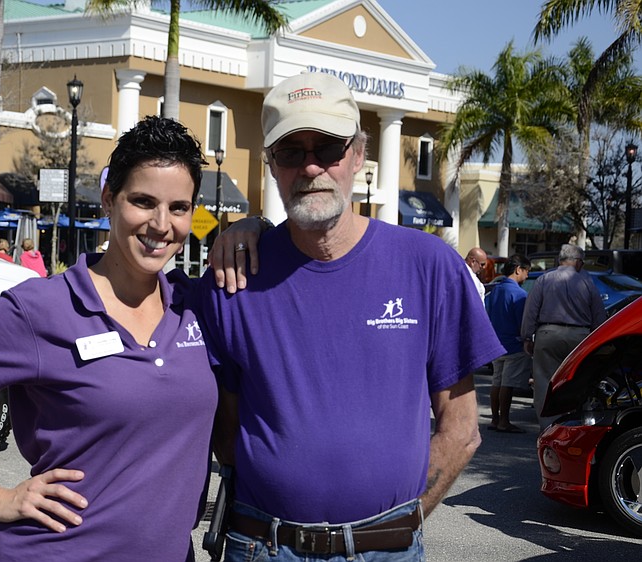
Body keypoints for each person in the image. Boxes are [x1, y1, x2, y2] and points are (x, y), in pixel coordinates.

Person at [0, 116, 257, 560]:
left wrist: (255, 226)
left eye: (178, 207)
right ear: (109, 199)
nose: (161, 224)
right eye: (143, 201)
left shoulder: (196, 307)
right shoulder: (42, 307)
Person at [198, 72, 505, 561]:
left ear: (359, 154)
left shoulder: (428, 267)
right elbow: (226, 432)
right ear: (271, 164)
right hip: (264, 547)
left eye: (328, 148)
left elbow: (462, 428)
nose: (310, 166)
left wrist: (394, 529)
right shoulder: (234, 278)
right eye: (290, 152)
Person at [522, 244, 606, 430]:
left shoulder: (544, 279)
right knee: (578, 381)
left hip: (548, 334)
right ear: (578, 262)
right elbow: (599, 315)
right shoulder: (587, 282)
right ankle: (574, 427)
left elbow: (531, 311)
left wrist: (527, 336)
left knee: (544, 382)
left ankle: (548, 428)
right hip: (580, 337)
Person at [484, 255, 531, 433]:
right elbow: (522, 324)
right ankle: (504, 421)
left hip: (495, 343)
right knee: (507, 384)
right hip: (513, 344)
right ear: (518, 269)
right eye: (526, 271)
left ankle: (495, 419)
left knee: (496, 382)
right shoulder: (519, 294)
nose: (527, 276)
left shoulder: (495, 290)